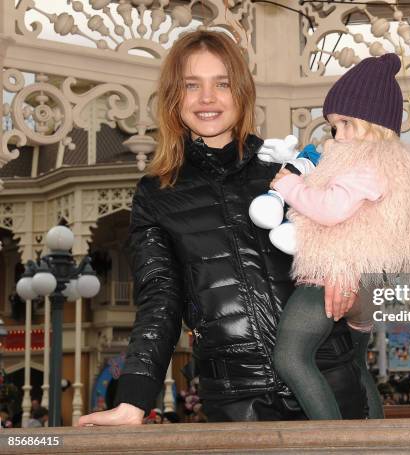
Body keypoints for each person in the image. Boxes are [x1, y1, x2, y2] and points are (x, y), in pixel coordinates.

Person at [78, 29, 366, 426]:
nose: (207, 98)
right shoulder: (157, 193)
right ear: (173, 97)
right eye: (191, 85)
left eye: (222, 84)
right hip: (237, 398)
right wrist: (133, 400)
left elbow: (355, 232)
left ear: (242, 93)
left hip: (328, 378)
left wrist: (348, 269)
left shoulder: (287, 168)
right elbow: (160, 301)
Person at [270, 53, 410, 420]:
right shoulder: (393, 166)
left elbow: (331, 209)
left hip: (331, 275)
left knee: (291, 357)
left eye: (347, 123)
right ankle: (374, 436)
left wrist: (289, 186)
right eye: (334, 126)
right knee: (357, 365)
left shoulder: (365, 161)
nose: (339, 135)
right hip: (366, 287)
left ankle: (334, 441)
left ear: (376, 123)